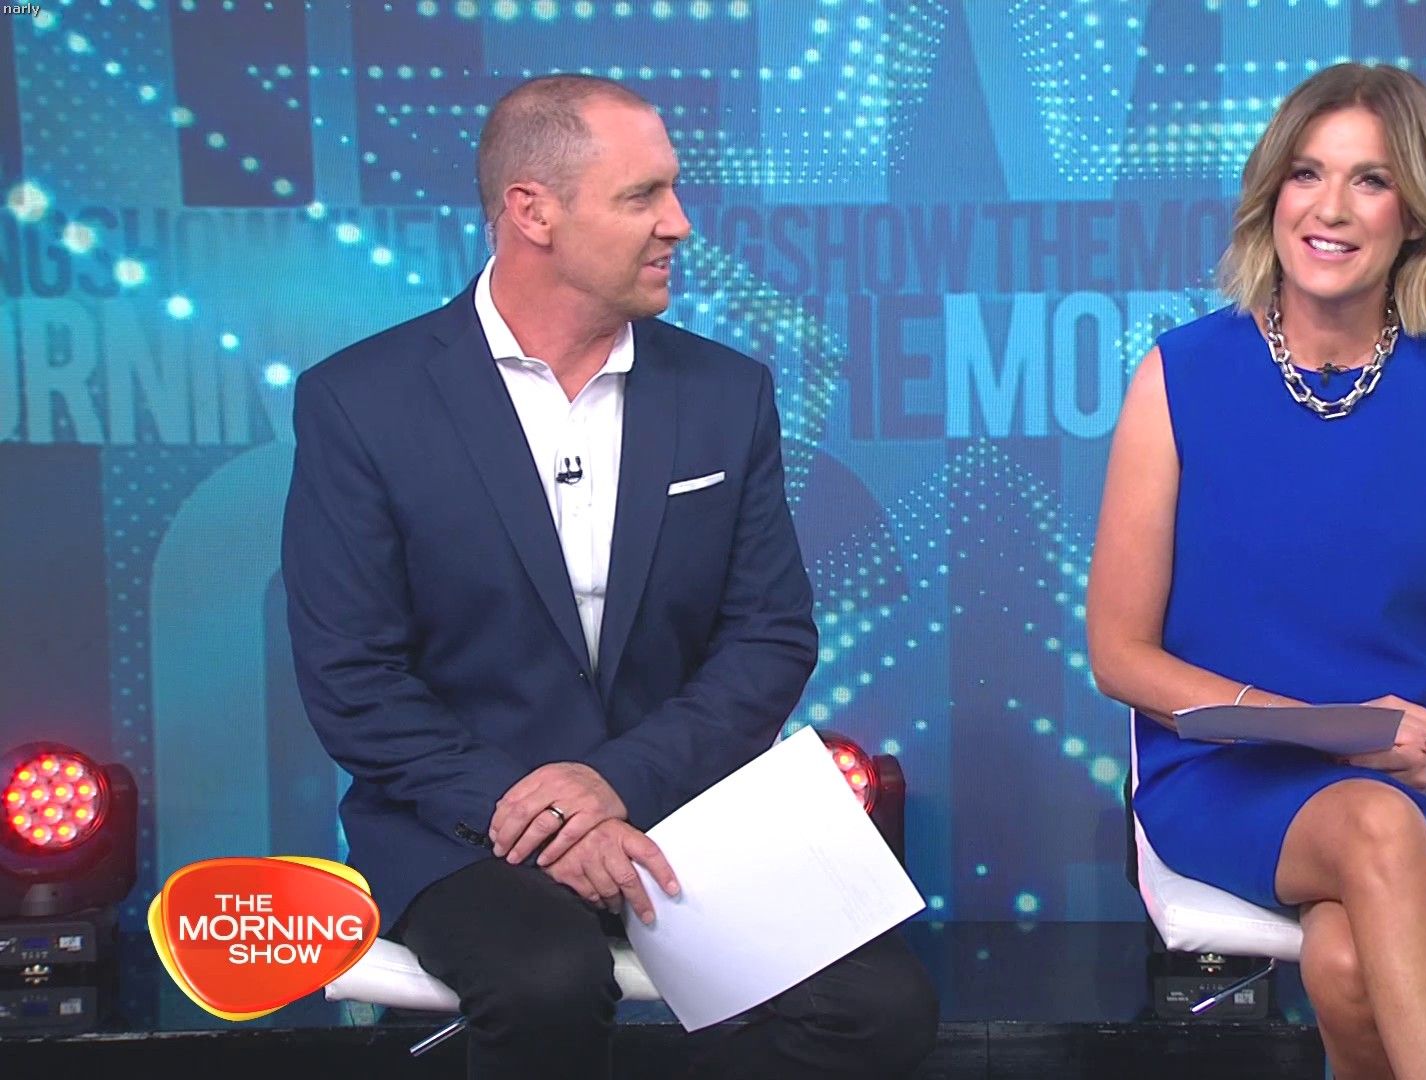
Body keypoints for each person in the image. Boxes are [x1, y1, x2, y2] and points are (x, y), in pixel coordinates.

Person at [282, 74, 937, 1079]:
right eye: (643, 196)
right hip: (460, 825)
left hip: (677, 809)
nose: (679, 223)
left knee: (882, 1008)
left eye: (672, 191)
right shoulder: (361, 402)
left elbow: (768, 638)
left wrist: (617, 783)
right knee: (547, 982)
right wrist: (544, 817)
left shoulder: (725, 393)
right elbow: (353, 678)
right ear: (532, 211)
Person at [1087, 63, 1426, 1080]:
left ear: (1415, 216)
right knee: (1375, 835)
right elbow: (1119, 655)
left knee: (1347, 963)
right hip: (1234, 771)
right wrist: (1314, 725)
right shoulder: (1179, 376)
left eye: (1370, 180)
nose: (1329, 208)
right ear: (1273, 194)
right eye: (1307, 173)